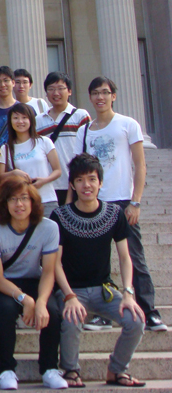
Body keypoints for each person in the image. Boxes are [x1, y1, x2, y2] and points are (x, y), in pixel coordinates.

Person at [74, 77, 166, 332]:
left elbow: (140, 165)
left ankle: (149, 311)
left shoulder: (128, 124)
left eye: (105, 92)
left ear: (113, 95)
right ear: (90, 97)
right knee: (99, 262)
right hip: (95, 203)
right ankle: (102, 312)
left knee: (135, 257)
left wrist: (135, 201)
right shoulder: (86, 130)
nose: (100, 97)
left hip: (123, 201)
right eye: (95, 93)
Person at [51, 153, 146, 388]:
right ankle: (71, 370)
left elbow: (125, 257)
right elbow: (54, 263)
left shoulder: (114, 214)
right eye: (80, 180)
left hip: (104, 289)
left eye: (92, 179)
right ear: (72, 184)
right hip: (71, 290)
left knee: (135, 320)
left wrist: (128, 293)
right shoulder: (60, 216)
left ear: (100, 182)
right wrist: (70, 296)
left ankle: (117, 370)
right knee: (72, 318)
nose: (87, 185)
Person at [0, 175, 66, 390]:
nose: (19, 204)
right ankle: (7, 370)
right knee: (7, 309)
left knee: (52, 311)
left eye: (24, 198)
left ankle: (49, 369)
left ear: (33, 201)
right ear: (4, 203)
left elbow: (48, 272)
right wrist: (25, 299)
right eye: (12, 199)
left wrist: (39, 302)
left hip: (34, 279)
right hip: (5, 284)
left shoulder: (49, 228)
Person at [35, 72, 90, 206]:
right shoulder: (39, 121)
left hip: (74, 183)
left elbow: (87, 150)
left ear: (69, 91)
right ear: (46, 93)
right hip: (48, 185)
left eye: (60, 88)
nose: (56, 93)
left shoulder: (80, 116)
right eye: (51, 89)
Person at [0, 103, 62, 217]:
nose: (20, 121)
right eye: (16, 118)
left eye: (24, 118)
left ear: (31, 120)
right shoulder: (6, 148)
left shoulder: (44, 142)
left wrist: (44, 180)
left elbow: (57, 170)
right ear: (10, 121)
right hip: (22, 203)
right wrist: (13, 173)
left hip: (47, 200)